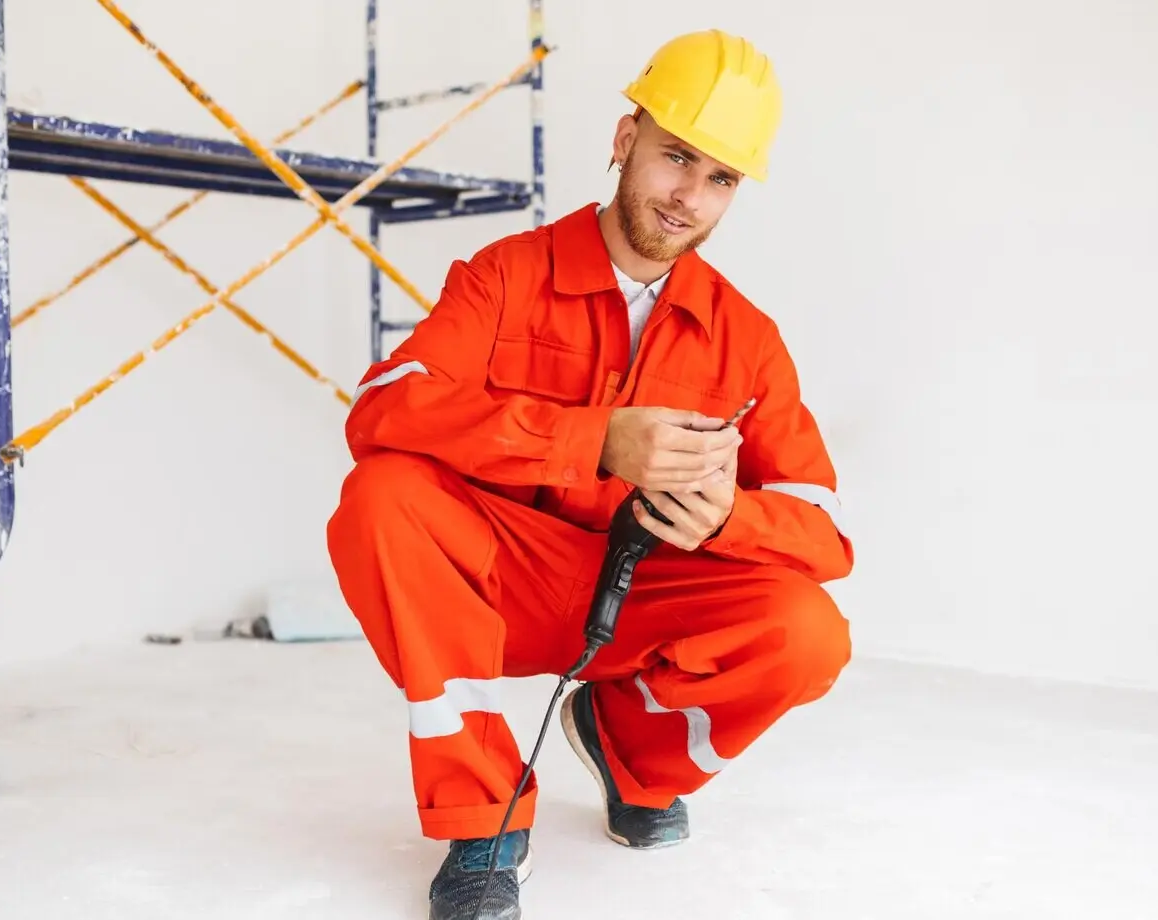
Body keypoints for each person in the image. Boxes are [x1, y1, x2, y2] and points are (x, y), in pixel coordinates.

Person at [327, 28, 854, 920]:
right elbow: (383, 408)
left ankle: (628, 751)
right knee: (381, 499)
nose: (690, 196)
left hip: (642, 595)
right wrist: (593, 442)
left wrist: (726, 518)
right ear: (623, 142)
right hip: (502, 584)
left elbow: (824, 534)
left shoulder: (749, 340)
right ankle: (485, 815)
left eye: (721, 177)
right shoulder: (504, 277)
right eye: (675, 157)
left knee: (809, 630)